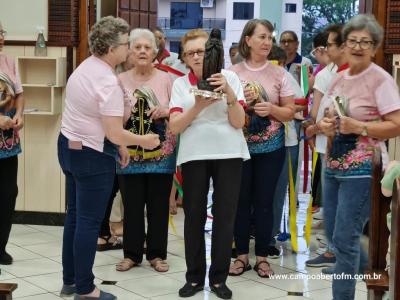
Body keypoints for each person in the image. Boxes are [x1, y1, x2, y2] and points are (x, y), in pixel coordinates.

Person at [58, 16, 160, 300]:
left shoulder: (86, 66)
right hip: (92, 156)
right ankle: (85, 289)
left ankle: (70, 280)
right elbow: (115, 132)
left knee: (76, 218)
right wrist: (144, 141)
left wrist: (121, 147)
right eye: (127, 44)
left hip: (68, 146)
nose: (129, 49)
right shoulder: (108, 82)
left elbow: (101, 123)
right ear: (112, 48)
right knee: (89, 223)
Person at [318, 14, 400, 300]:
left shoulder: (381, 80)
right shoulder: (339, 78)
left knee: (344, 239)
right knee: (334, 235)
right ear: (344, 44)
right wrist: (325, 125)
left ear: (375, 46)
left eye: (365, 42)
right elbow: (326, 116)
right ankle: (376, 275)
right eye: (352, 40)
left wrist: (360, 127)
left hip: (363, 166)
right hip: (333, 164)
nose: (358, 46)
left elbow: (396, 123)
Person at [169, 28, 249, 299]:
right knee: (193, 217)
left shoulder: (231, 78)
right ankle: (193, 278)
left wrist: (227, 92)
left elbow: (239, 122)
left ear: (213, 50)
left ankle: (218, 279)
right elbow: (175, 126)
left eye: (201, 51)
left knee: (225, 218)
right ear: (184, 58)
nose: (196, 57)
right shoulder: (181, 84)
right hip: (194, 155)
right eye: (190, 53)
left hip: (229, 153)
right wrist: (198, 106)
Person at [228, 19, 295, 278]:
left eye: (270, 38)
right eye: (262, 37)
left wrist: (273, 110)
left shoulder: (280, 74)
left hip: (271, 149)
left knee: (265, 203)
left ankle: (263, 257)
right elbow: (224, 108)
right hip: (239, 148)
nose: (267, 42)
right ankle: (242, 256)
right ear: (248, 40)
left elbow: (290, 112)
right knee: (240, 202)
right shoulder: (232, 73)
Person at [115, 28, 175, 273]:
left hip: (161, 153)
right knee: (131, 205)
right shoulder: (120, 80)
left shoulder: (166, 79)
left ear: (155, 52)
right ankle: (132, 254)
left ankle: (157, 254)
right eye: (137, 47)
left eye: (147, 48)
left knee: (159, 205)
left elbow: (177, 109)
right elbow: (113, 116)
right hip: (129, 152)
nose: (141, 51)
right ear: (129, 51)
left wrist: (166, 110)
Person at [305, 24, 348, 270]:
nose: (326, 49)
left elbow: (338, 115)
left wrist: (315, 127)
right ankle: (333, 251)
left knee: (339, 204)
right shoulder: (329, 71)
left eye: (330, 44)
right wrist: (315, 127)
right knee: (331, 202)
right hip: (327, 144)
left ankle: (338, 254)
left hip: (342, 147)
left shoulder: (345, 74)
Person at [0, 21, 24, 265]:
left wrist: (19, 114)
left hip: (7, 144)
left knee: (8, 194)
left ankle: (1, 247)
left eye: (1, 33)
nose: (0, 38)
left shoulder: (9, 61)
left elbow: (19, 94)